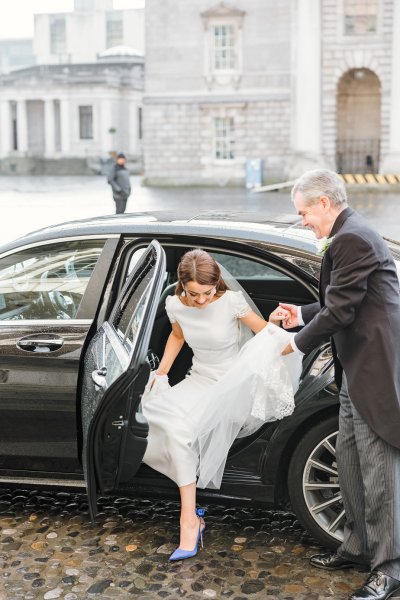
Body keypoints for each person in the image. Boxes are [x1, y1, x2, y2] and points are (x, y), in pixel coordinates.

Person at [273, 169, 400, 600]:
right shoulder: (348, 233)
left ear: (324, 203)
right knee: (349, 464)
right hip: (354, 368)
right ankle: (356, 544)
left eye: (304, 211)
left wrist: (295, 342)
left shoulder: (353, 237)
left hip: (374, 372)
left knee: (378, 473)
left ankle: (390, 568)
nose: (303, 220)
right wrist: (302, 313)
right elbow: (338, 298)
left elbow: (342, 310)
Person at [141, 249, 302, 562]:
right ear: (181, 286)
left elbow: (270, 337)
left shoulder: (231, 302)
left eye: (207, 292)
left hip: (231, 384)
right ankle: (192, 515)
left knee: (179, 433)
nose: (201, 300)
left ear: (217, 285)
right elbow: (176, 336)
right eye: (193, 293)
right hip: (198, 379)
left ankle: (188, 521)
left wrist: (285, 334)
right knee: (152, 417)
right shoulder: (174, 304)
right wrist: (161, 371)